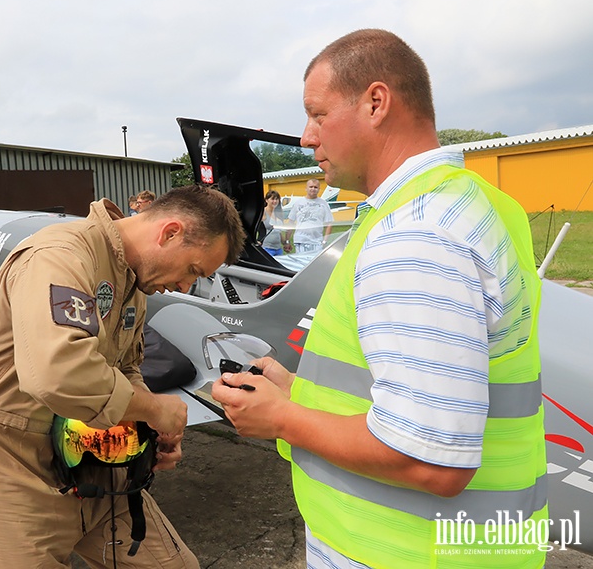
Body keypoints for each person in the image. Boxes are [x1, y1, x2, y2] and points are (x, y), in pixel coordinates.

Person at [212, 29, 546, 567]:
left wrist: (280, 419)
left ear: (375, 102)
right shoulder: (472, 205)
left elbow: (433, 460)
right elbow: (426, 389)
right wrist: (301, 391)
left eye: (317, 115)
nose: (305, 137)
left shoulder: (415, 237)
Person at [0, 185, 245, 568]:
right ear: (170, 233)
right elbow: (58, 371)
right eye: (193, 271)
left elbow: (126, 366)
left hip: (92, 456)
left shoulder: (132, 278)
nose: (184, 287)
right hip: (5, 465)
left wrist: (152, 427)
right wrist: (154, 409)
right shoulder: (60, 256)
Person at [286, 178, 333, 253]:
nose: (313, 189)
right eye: (311, 187)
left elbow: (329, 224)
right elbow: (291, 222)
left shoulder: (323, 204)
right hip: (301, 241)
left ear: (319, 189)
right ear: (306, 188)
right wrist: (287, 241)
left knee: (315, 264)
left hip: (317, 242)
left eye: (315, 187)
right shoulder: (298, 203)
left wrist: (325, 241)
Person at [259, 190, 287, 256]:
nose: (275, 201)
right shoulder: (263, 213)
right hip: (267, 248)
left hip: (278, 249)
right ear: (266, 200)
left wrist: (285, 243)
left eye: (277, 199)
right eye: (272, 199)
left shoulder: (279, 213)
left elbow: (279, 232)